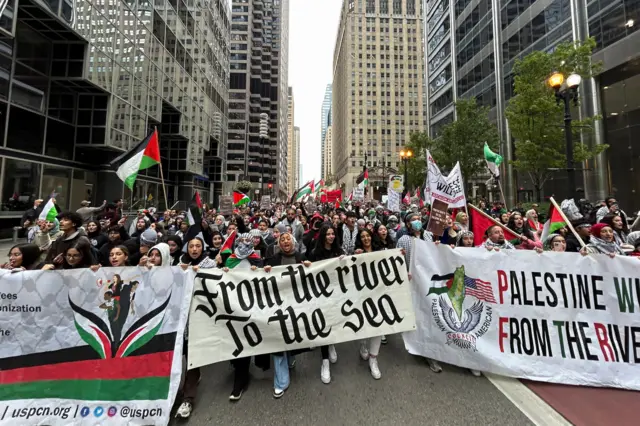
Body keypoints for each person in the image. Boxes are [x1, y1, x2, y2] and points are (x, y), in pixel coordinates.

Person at [220, 232, 268, 401]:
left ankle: (261, 360)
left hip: (254, 304)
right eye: (242, 240)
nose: (245, 243)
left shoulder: (256, 258)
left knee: (255, 334)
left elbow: (264, 278)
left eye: (248, 241)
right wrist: (224, 271)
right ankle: (239, 380)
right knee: (240, 339)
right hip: (235, 306)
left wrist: (260, 270)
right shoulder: (231, 259)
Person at [263, 232, 310, 398]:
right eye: (281, 240)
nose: (285, 242)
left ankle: (290, 357)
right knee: (278, 341)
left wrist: (309, 267)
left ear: (293, 241)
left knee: (291, 335)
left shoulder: (301, 257)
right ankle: (281, 381)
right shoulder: (273, 260)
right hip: (277, 306)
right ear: (279, 244)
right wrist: (264, 270)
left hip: (296, 305)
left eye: (287, 239)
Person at [396, 214, 441, 373]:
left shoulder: (429, 236)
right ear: (408, 224)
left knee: (431, 314)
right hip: (412, 283)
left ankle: (431, 350)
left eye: (418, 218)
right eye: (413, 219)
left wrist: (438, 247)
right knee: (418, 316)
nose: (417, 221)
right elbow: (398, 261)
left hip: (430, 282)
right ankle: (422, 348)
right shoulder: (404, 240)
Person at [309, 225, 342, 383]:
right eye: (328, 234)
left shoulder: (339, 251)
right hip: (320, 294)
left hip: (336, 294)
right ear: (322, 236)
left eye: (332, 234)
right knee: (323, 325)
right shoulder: (315, 253)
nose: (331, 236)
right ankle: (325, 362)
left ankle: (331, 344)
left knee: (333, 321)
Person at [353, 228, 384, 379]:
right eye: (362, 236)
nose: (366, 238)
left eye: (368, 236)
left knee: (379, 325)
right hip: (363, 294)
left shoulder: (382, 250)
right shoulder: (356, 252)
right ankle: (363, 344)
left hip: (380, 292)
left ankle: (373, 359)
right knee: (365, 322)